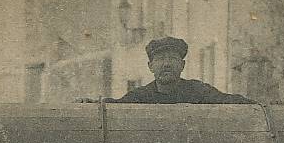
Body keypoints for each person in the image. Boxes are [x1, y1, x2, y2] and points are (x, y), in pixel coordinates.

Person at [78, 37, 256, 104]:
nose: (166, 64)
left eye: (172, 58)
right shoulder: (141, 96)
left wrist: (255, 104)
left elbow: (224, 100)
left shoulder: (198, 91)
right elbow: (115, 106)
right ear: (151, 66)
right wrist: (91, 104)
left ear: (182, 65)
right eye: (161, 59)